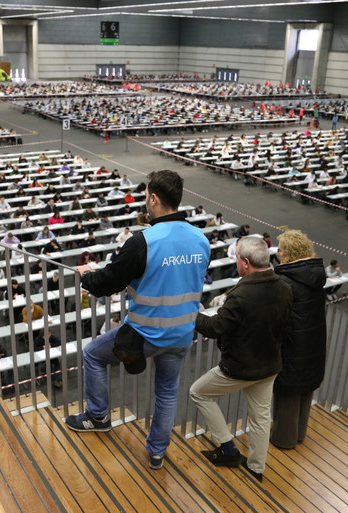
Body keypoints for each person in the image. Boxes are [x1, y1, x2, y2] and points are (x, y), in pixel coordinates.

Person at [65, 169, 210, 471]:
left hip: (146, 334)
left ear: (154, 199)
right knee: (168, 391)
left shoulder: (143, 241)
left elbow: (109, 282)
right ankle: (157, 452)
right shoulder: (200, 239)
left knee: (92, 354)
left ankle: (98, 416)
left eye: (146, 197)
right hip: (183, 332)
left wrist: (87, 277)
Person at [190, 236, 292, 481]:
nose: (235, 261)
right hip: (269, 365)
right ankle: (256, 468)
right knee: (260, 419)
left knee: (198, 392)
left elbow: (216, 327)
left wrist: (190, 312)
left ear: (245, 263)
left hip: (240, 367)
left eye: (236, 257)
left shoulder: (242, 294)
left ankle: (227, 448)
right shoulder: (285, 288)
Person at [270, 230, 327, 450]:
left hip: (291, 347)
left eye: (282, 249)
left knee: (288, 396)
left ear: (290, 253)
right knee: (304, 393)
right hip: (313, 345)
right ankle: (299, 435)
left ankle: (283, 439)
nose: (279, 252)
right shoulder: (316, 276)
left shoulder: (285, 281)